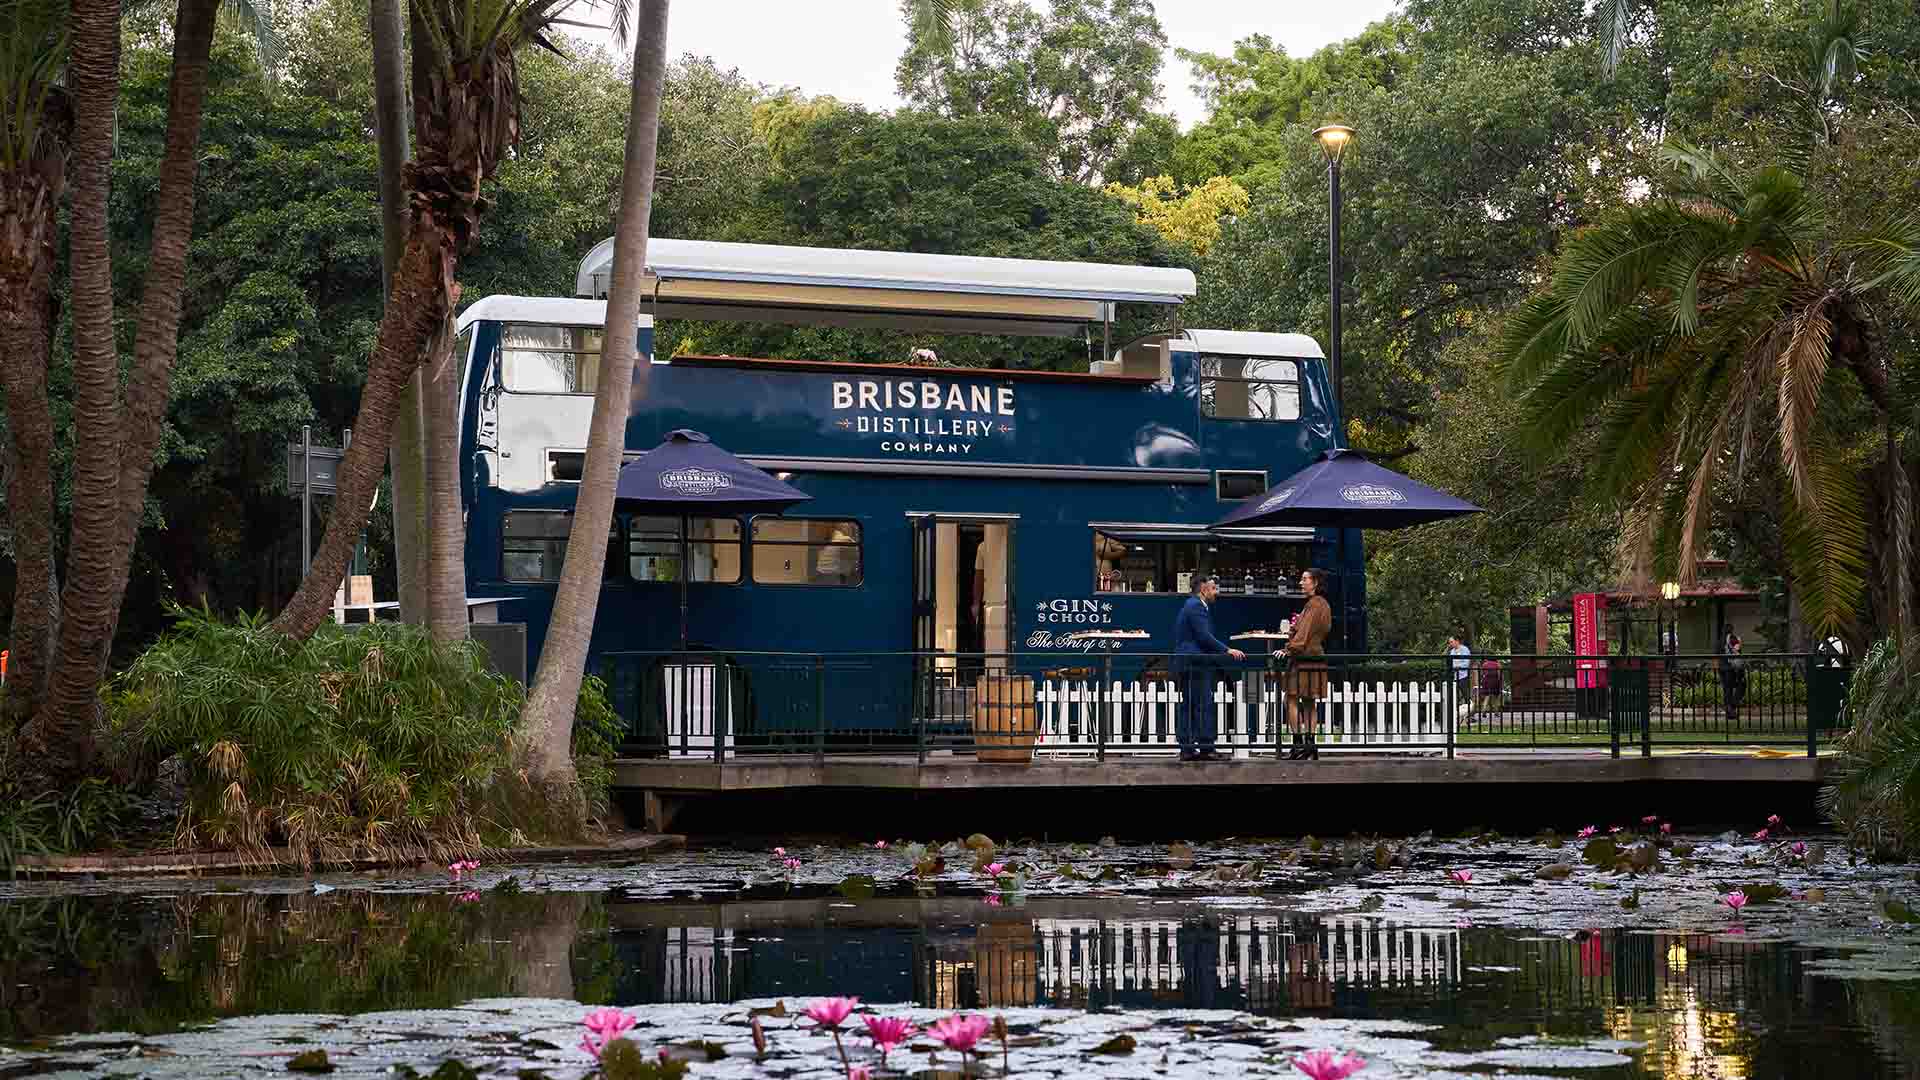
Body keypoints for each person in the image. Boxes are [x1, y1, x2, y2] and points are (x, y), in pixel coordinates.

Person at [1172, 575, 1245, 762]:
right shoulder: (1196, 606)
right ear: (1203, 589)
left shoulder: (1190, 605)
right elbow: (1203, 636)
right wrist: (1227, 649)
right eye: (1213, 588)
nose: (1216, 592)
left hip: (1188, 662)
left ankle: (1187, 749)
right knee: (1203, 704)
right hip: (1195, 663)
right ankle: (1206, 748)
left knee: (1189, 706)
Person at [1279, 568, 1333, 760]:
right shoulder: (1323, 605)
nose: (1301, 583)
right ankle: (1310, 747)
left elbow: (1303, 635)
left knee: (1291, 700)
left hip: (1303, 658)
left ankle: (1298, 745)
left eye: (1304, 580)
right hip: (1315, 656)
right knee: (1310, 702)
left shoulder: (1313, 605)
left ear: (1315, 582)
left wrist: (1288, 649)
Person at [1721, 635, 1748, 721]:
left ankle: (1731, 708)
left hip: (1736, 671)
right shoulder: (1725, 646)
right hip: (1728, 670)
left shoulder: (1734, 644)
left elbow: (1740, 658)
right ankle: (1730, 711)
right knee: (1729, 690)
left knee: (1739, 687)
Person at [1447, 630, 1472, 716]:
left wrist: (1457, 666)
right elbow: (1451, 663)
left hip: (1463, 676)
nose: (1450, 644)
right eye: (1449, 642)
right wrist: (1455, 666)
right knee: (1454, 696)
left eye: (1451, 642)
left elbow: (1466, 663)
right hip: (1454, 676)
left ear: (1457, 641)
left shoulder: (1465, 650)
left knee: (1466, 696)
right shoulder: (1452, 652)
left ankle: (1470, 715)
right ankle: (1455, 714)